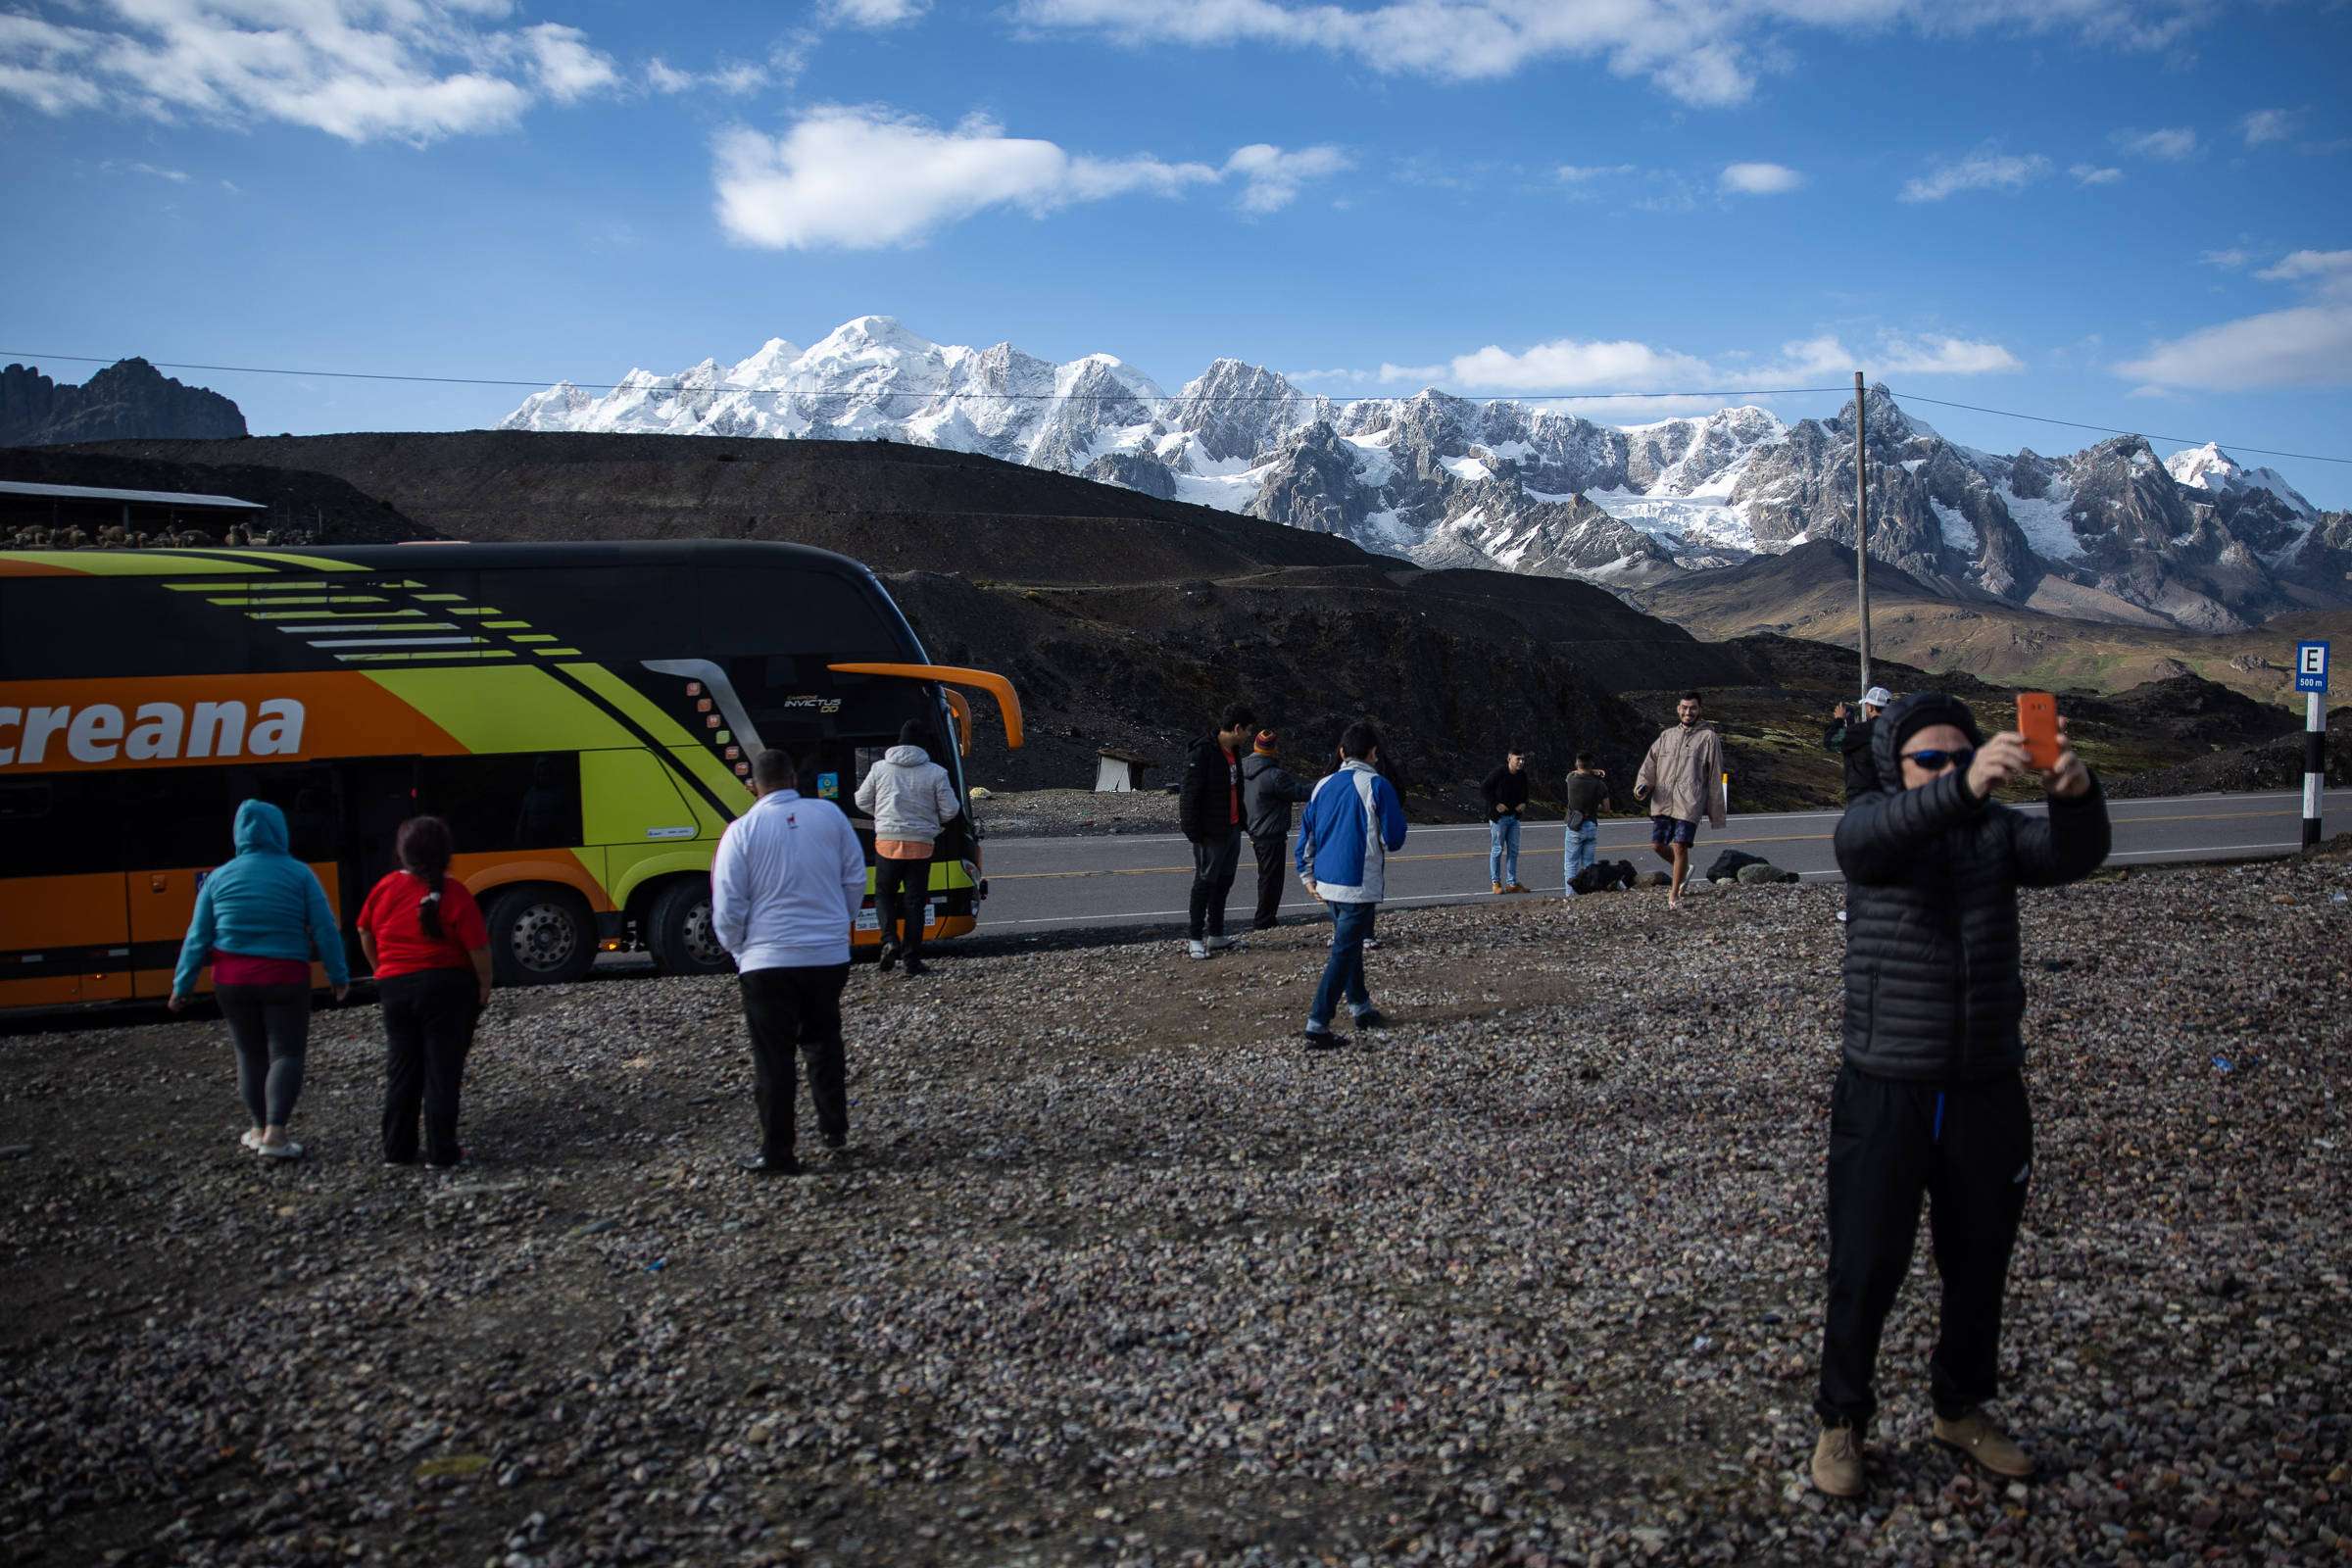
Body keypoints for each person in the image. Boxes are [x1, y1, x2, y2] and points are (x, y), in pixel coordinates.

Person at [1808, 693, 2110, 1499]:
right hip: (1885, 1085)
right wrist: (1966, 784)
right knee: (1866, 1264)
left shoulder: (1996, 833)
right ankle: (1843, 1422)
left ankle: (1961, 1408)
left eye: (1958, 755)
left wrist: (2074, 794)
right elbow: (1865, 849)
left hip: (1985, 1084)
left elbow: (2073, 857)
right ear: (1897, 768)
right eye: (1929, 761)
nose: (1947, 770)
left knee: (1979, 1264)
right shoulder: (1872, 821)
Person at [711, 749, 867, 1176]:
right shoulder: (830, 816)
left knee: (773, 1056)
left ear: (752, 786)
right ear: (794, 777)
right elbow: (854, 876)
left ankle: (778, 1151)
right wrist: (840, 924)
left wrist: (739, 949)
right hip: (826, 955)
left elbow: (727, 903)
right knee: (823, 1040)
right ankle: (834, 1128)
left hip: (766, 959)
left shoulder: (740, 832)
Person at [170, 799, 352, 1160]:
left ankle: (256, 1128)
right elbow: (325, 929)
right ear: (279, 830)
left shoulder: (217, 878)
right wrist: (338, 975)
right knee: (286, 1052)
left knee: (249, 1053)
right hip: (286, 975)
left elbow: (198, 937)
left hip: (232, 979)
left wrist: (182, 986)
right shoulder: (299, 874)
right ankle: (276, 1134)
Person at [359, 815, 492, 1169]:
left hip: (395, 988)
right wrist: (484, 984)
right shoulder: (456, 893)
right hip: (447, 989)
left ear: (402, 852)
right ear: (445, 853)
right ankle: (442, 1152)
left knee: (402, 1070)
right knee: (442, 1073)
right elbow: (477, 947)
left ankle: (397, 1151)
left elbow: (364, 931)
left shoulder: (384, 888)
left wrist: (381, 969)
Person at [1296, 722, 1408, 1050]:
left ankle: (1361, 1007)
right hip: (1358, 884)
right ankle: (1318, 1023)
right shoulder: (1377, 785)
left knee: (1349, 947)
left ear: (1342, 752)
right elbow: (1395, 838)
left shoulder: (1322, 786)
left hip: (1326, 883)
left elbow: (1307, 836)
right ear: (1374, 754)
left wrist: (1307, 876)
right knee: (1343, 952)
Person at [854, 720, 962, 978]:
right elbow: (951, 810)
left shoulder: (879, 768)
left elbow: (861, 800)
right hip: (921, 844)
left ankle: (889, 940)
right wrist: (930, 822)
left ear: (898, 742)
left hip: (887, 842)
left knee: (884, 895)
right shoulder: (935, 772)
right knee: (915, 903)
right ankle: (912, 959)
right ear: (922, 744)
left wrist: (882, 817)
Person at [1633, 692, 1728, 909]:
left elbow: (1716, 773)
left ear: (1699, 710)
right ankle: (1683, 869)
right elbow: (1650, 764)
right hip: (1663, 799)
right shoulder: (1667, 736)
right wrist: (1643, 786)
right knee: (1658, 845)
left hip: (1689, 802)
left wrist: (1716, 811)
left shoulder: (1708, 738)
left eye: (1692, 708)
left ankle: (1674, 894)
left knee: (1679, 846)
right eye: (1684, 708)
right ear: (1678, 709)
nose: (1688, 712)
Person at [1177, 703, 1256, 960]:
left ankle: (1217, 934)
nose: (1249, 736)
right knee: (1204, 883)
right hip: (1211, 832)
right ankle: (1194, 938)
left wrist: (1242, 823)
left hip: (1231, 828)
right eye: (1248, 730)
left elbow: (1236, 790)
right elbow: (1189, 796)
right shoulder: (1203, 752)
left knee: (1223, 882)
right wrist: (1194, 832)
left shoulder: (1233, 752)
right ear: (1237, 728)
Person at [1241, 728, 1315, 931]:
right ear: (1273, 749)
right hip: (1271, 834)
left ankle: (1264, 919)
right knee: (1271, 880)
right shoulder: (1275, 776)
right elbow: (1300, 792)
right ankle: (1265, 920)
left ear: (1256, 746)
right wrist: (1324, 784)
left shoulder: (1242, 768)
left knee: (1265, 877)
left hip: (1254, 829)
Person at [1826, 686, 1896, 803]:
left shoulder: (1862, 731)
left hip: (1862, 796)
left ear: (1871, 707)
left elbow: (1830, 740)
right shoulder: (1897, 730)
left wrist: (1838, 721)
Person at [1481, 747, 1533, 894]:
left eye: (1523, 759)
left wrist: (1524, 803)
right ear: (1509, 759)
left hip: (1514, 818)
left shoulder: (1522, 775)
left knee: (1514, 850)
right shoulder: (1499, 773)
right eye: (1518, 759)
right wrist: (1496, 804)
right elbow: (1484, 789)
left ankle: (1512, 883)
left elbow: (1525, 793)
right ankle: (1496, 882)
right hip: (1499, 819)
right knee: (1497, 850)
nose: (1521, 762)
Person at [1561, 755, 1610, 896]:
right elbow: (1606, 808)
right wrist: (1595, 806)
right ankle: (1588, 894)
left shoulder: (1571, 779)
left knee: (1571, 864)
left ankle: (1571, 895)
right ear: (1591, 764)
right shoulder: (1600, 784)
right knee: (1589, 864)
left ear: (1576, 764)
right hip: (1591, 825)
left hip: (1575, 826)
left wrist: (1592, 770)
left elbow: (1574, 772)